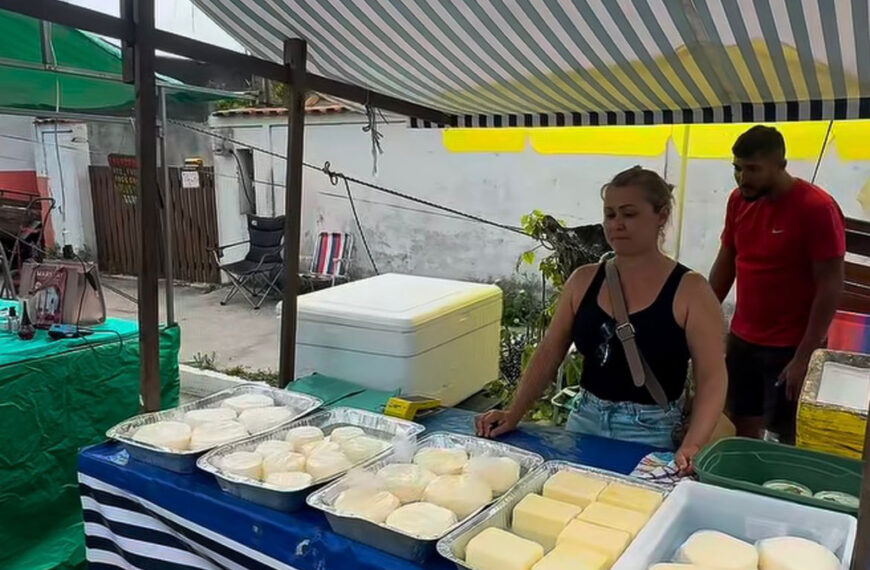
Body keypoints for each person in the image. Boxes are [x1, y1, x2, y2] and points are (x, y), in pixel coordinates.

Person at [477, 167, 728, 473]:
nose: (617, 224)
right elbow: (549, 352)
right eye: (610, 215)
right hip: (584, 419)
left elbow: (712, 378)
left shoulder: (691, 291)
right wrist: (514, 411)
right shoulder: (582, 281)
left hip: (652, 430)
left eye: (629, 214)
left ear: (661, 215)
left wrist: (693, 443)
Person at [709, 125, 845, 444]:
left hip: (790, 347)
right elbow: (726, 262)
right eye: (737, 169)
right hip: (743, 339)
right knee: (740, 425)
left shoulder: (817, 208)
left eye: (753, 169)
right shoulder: (738, 202)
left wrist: (804, 357)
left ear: (780, 164)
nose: (743, 178)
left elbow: (830, 287)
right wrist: (696, 315)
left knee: (786, 437)